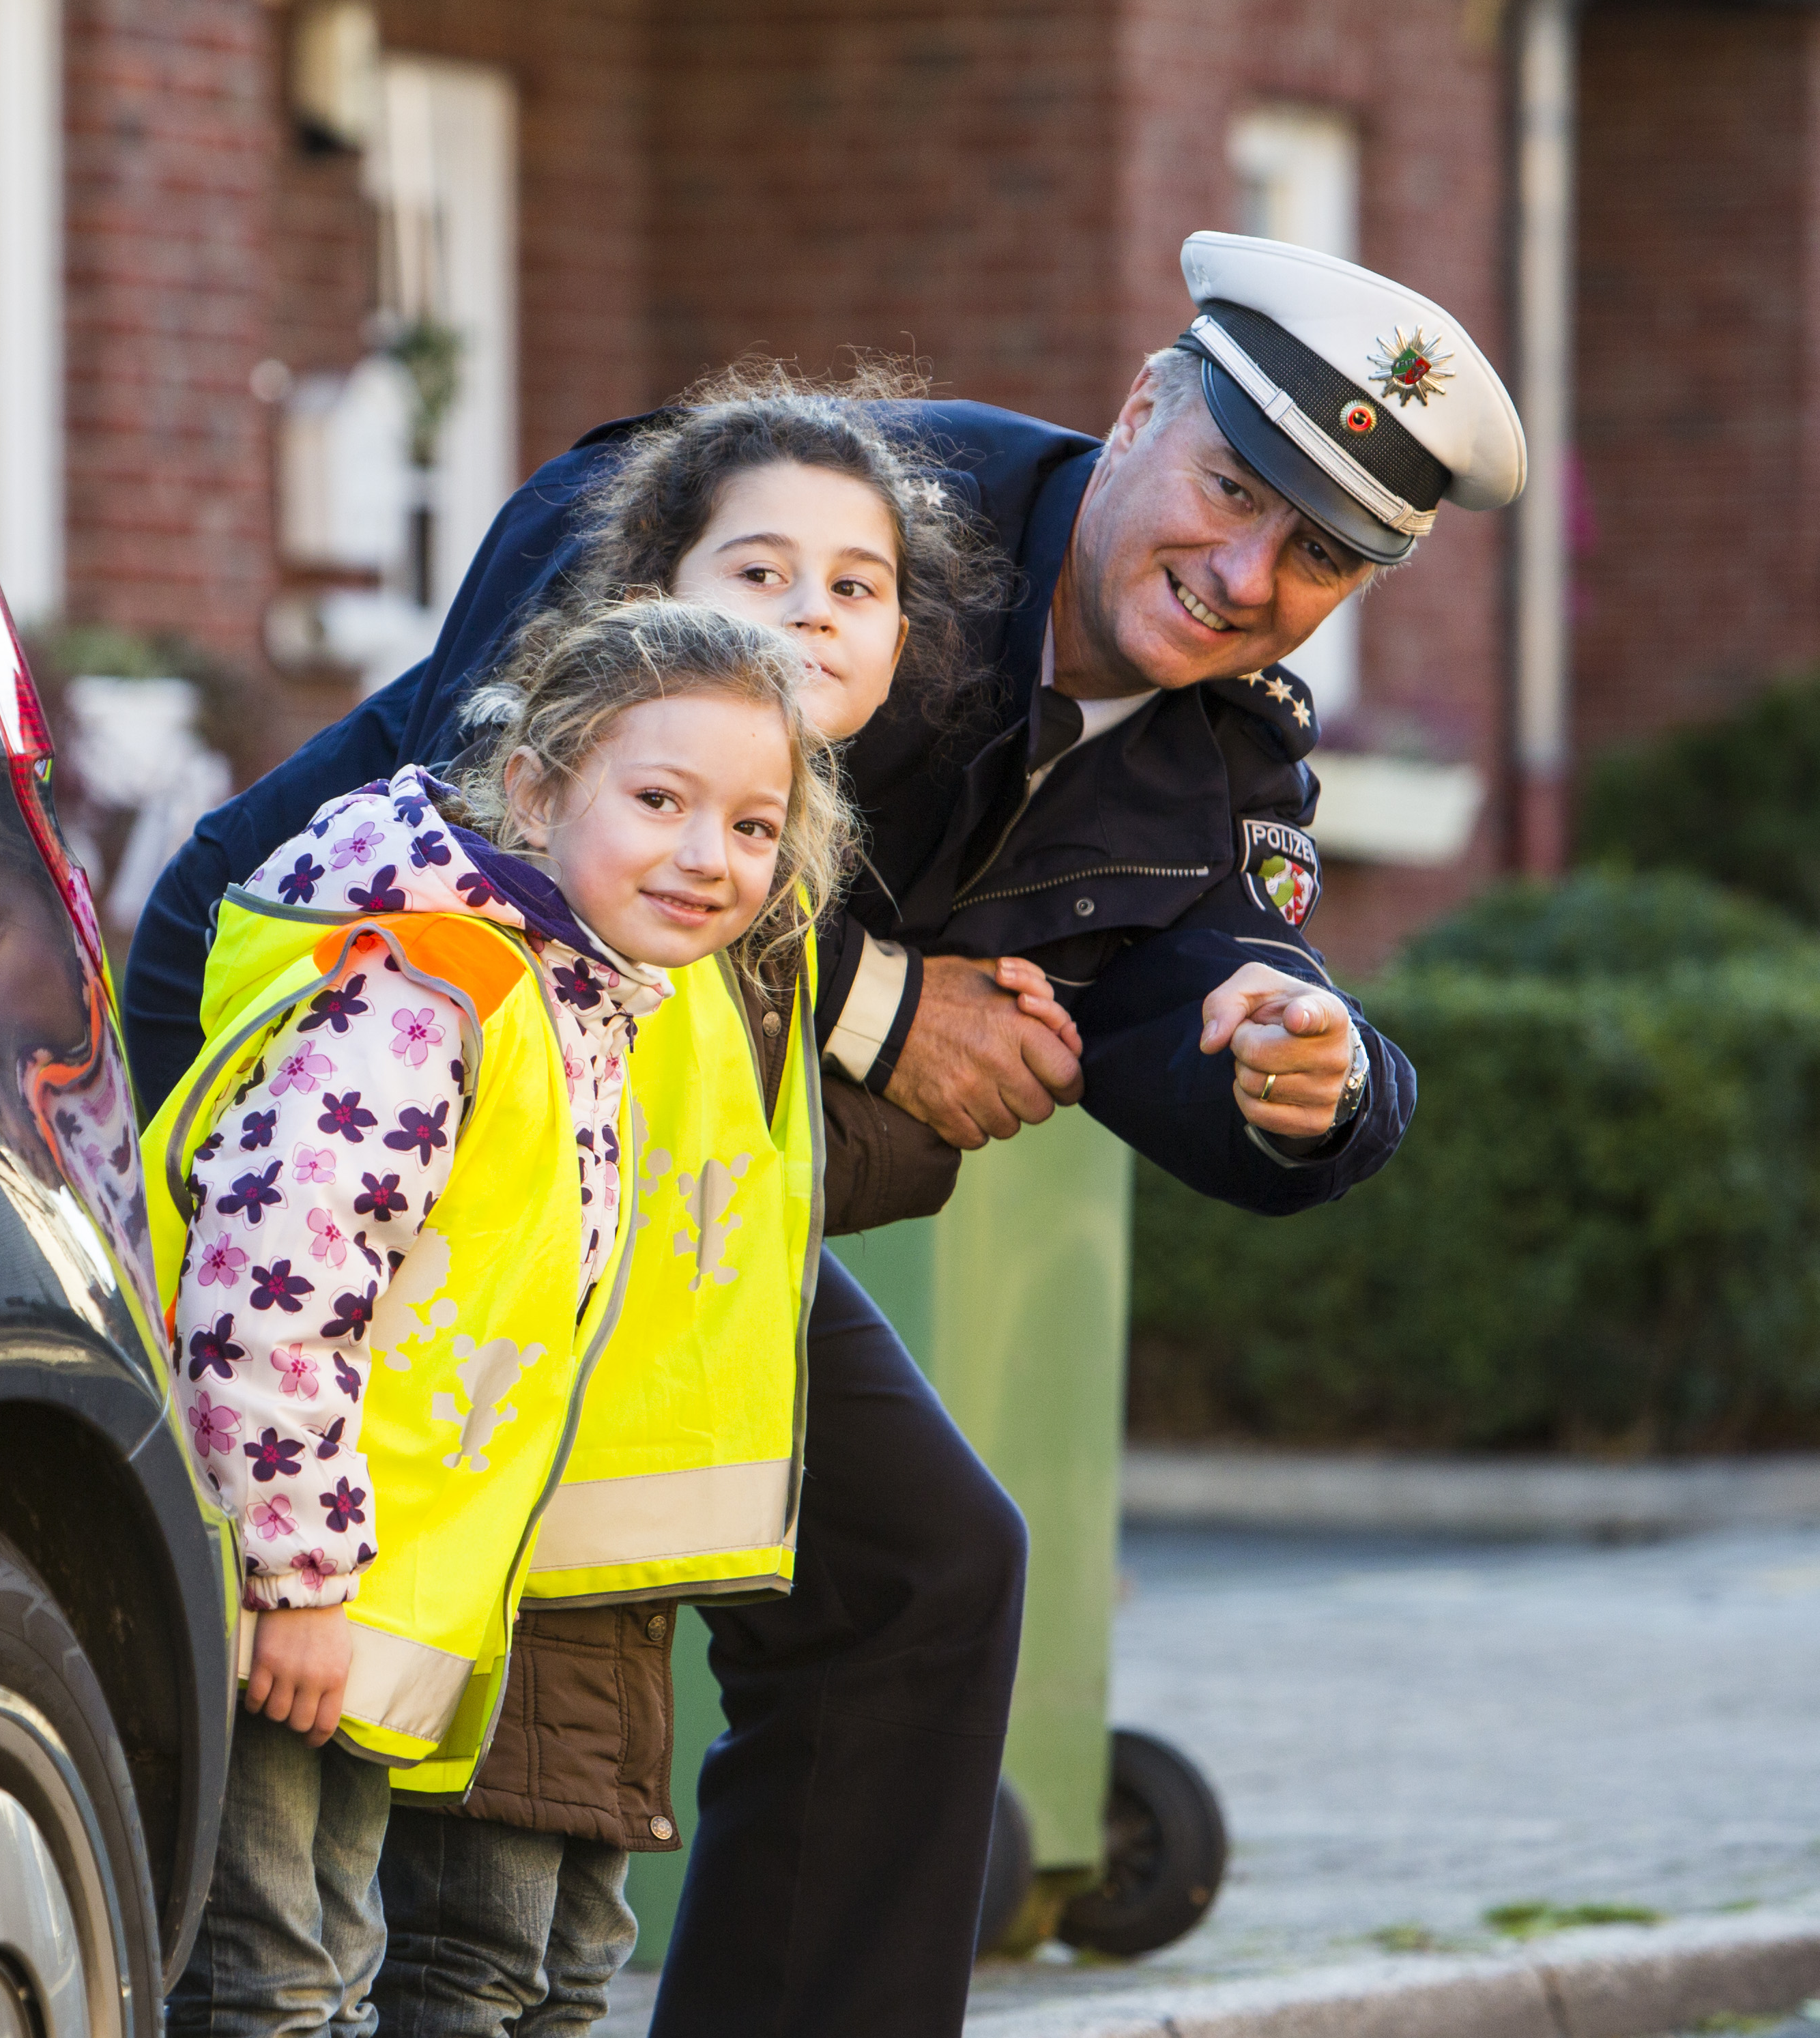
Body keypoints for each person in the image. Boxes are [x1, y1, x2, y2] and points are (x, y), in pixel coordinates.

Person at [132, 234, 1530, 2036]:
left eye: (1318, 555)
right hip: (359, 1089)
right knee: (325, 1655)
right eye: (1230, 488)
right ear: (1132, 415)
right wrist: (886, 1010)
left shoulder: (1217, 752)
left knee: (923, 1575)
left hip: (656, 1178)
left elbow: (1198, 997)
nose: (1246, 572)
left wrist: (1315, 1073)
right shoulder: (793, 518)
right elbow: (541, 823)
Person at [367, 371, 1069, 2038]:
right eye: (758, 574)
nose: (812, 614)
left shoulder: (751, 871)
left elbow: (755, 1174)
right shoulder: (586, 872)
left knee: (549, 1968)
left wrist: (984, 1064)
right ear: (647, 592)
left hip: (615, 1559)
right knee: (452, 1967)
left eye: (857, 584)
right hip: (492, 1528)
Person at [151, 599, 852, 2038]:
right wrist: (295, 1579)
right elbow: (269, 1289)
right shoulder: (430, 997)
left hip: (356, 1599)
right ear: (534, 786)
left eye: (749, 823)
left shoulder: (582, 999)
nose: (706, 855)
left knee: (322, 1965)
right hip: (285, 1584)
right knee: (269, 1982)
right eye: (658, 800)